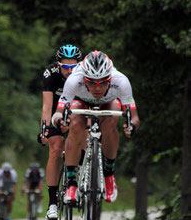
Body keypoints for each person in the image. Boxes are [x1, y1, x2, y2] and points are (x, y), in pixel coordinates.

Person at [51, 50, 140, 205]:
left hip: (109, 102)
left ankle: (109, 174)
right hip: (81, 101)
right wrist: (59, 121)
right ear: (84, 79)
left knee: (112, 122)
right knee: (76, 126)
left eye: (103, 83)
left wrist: (131, 125)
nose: (97, 89)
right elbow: (58, 113)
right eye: (92, 83)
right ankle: (72, 184)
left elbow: (134, 116)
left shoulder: (121, 81)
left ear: (110, 79)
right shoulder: (73, 81)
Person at [39, 44, 82, 220]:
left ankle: (81, 175)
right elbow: (47, 106)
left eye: (73, 67)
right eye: (65, 66)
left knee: (81, 136)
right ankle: (52, 203)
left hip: (75, 110)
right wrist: (44, 128)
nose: (69, 71)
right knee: (56, 148)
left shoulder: (84, 74)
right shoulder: (51, 74)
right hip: (56, 113)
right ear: (58, 64)